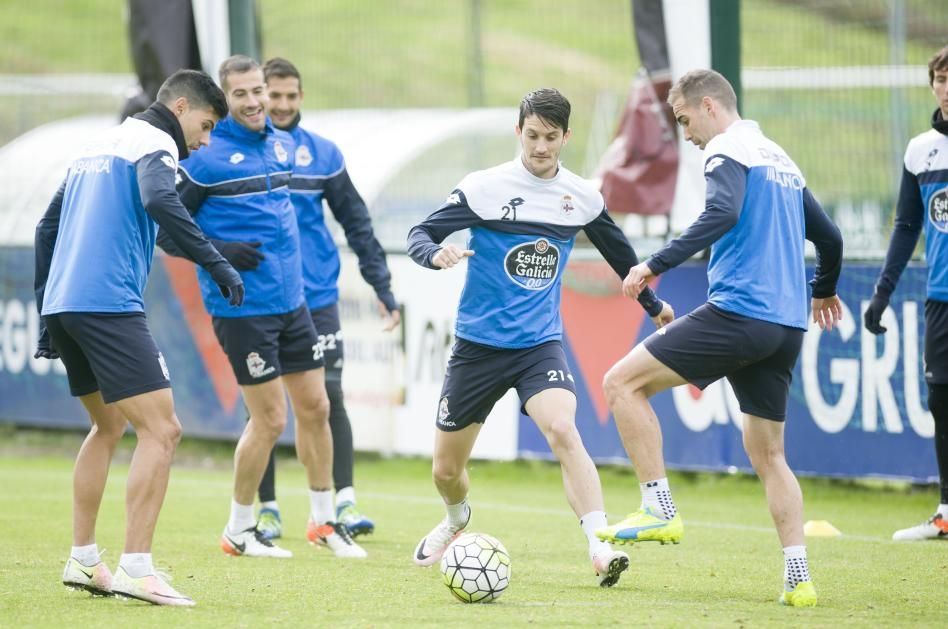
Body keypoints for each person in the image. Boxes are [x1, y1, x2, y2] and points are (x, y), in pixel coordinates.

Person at [595, 69, 844, 608]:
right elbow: (830, 237)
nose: (686, 133)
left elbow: (722, 212)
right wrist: (822, 290)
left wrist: (653, 264)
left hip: (739, 313)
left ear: (709, 106)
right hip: (785, 326)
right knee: (770, 455)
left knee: (621, 384)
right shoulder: (780, 157)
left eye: (684, 119)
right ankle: (797, 576)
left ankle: (658, 506)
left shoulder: (728, 149)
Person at [406, 88, 670, 587]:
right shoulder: (485, 188)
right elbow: (421, 232)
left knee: (564, 430)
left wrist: (653, 305)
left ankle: (599, 545)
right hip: (477, 348)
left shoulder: (582, 197)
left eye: (551, 137)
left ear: (566, 136)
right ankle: (457, 517)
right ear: (518, 131)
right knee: (445, 470)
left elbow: (621, 258)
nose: (541, 146)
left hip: (537, 345)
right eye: (532, 135)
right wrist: (433, 255)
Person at [34, 69, 242, 607]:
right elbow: (158, 199)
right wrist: (217, 263)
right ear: (180, 107)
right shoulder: (155, 142)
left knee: (107, 427)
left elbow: (46, 229)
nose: (205, 139)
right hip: (107, 304)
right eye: (206, 124)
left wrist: (44, 314)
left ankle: (83, 559)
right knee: (164, 431)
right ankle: (137, 568)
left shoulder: (96, 146)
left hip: (65, 303)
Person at [157, 55, 365, 559]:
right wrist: (218, 252)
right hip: (241, 310)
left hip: (294, 304)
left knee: (316, 407)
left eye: (260, 92)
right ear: (223, 100)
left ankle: (323, 522)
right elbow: (166, 232)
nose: (255, 102)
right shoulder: (203, 157)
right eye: (243, 94)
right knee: (270, 419)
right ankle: (239, 529)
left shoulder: (281, 144)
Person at [234, 56, 399, 540]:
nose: (281, 105)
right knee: (263, 410)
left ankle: (341, 503)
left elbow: (357, 222)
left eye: (290, 96)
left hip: (317, 298)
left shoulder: (323, 155)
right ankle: (266, 509)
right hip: (263, 299)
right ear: (258, 94)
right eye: (273, 95)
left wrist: (381, 286)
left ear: (300, 97)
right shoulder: (238, 152)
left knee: (328, 397)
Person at [863, 44, 948, 546]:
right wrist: (881, 293)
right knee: (943, 401)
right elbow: (905, 226)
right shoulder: (919, 150)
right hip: (942, 302)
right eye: (940, 79)